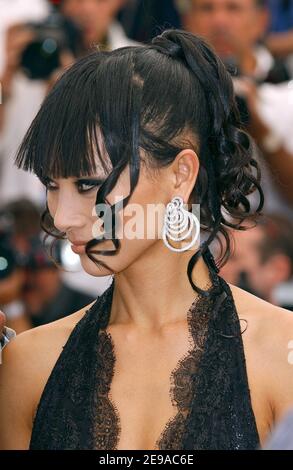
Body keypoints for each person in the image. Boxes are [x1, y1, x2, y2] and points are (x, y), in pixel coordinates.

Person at [1, 29, 293, 451]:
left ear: (181, 175)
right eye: (51, 183)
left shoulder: (280, 353)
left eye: (87, 184)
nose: (62, 217)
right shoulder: (28, 364)